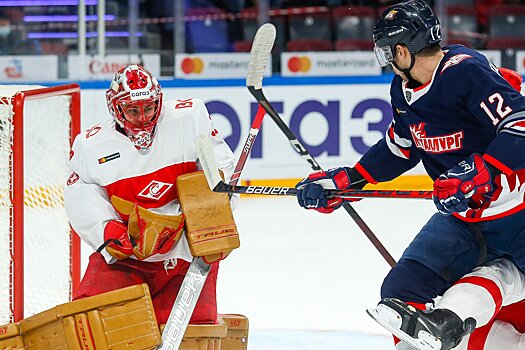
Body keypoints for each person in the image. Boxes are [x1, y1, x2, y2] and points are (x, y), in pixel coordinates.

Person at [294, 0, 525, 349]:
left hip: (518, 213)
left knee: (492, 285)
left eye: (386, 52)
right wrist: (349, 180)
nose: (385, 60)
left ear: (402, 50)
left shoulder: (464, 71)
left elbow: (519, 124)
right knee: (399, 295)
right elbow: (400, 147)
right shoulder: (402, 91)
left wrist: (484, 170)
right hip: (464, 218)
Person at [64, 64, 237, 326]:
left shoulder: (189, 118)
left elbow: (221, 171)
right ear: (116, 108)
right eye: (133, 110)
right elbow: (81, 192)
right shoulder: (90, 145)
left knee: (192, 333)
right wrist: (107, 230)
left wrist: (213, 221)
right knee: (90, 323)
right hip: (129, 255)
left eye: (148, 108)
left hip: (186, 252)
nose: (143, 118)